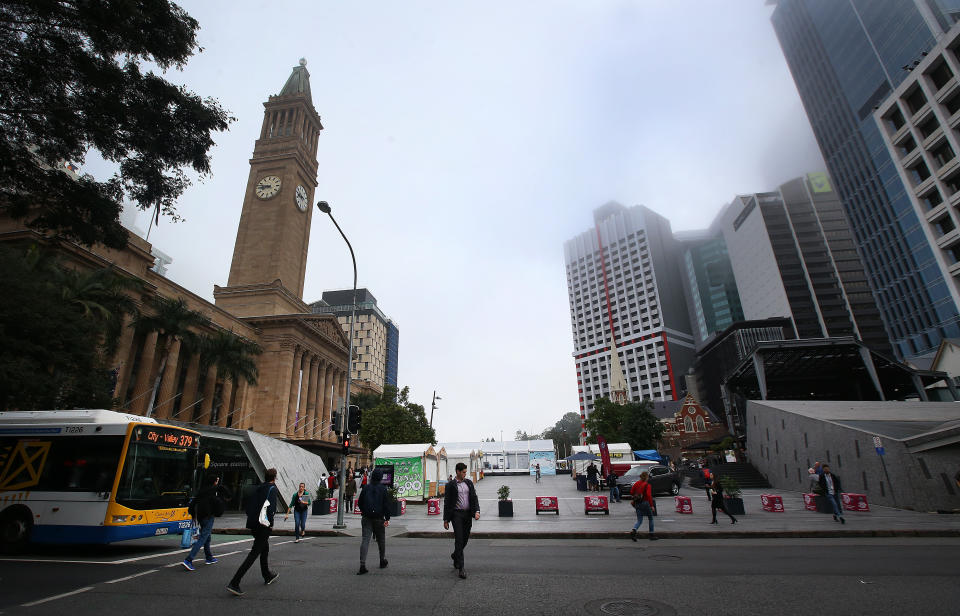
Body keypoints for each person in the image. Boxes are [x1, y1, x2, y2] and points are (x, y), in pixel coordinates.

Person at [227, 468, 279, 596]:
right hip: (263, 525)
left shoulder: (259, 488)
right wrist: (270, 524)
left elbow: (249, 505)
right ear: (274, 477)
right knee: (255, 552)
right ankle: (235, 582)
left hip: (253, 523)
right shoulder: (272, 489)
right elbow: (270, 508)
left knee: (264, 548)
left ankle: (267, 575)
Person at [182, 475, 230, 570]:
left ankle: (209, 557)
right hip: (208, 516)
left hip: (200, 516)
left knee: (207, 537)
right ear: (214, 481)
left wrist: (193, 515)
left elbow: (193, 503)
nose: (217, 482)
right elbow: (226, 493)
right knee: (203, 537)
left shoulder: (202, 490)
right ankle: (189, 559)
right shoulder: (214, 490)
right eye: (216, 480)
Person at [443, 462, 480, 579]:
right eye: (463, 472)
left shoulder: (469, 483)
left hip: (467, 514)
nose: (465, 474)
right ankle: (461, 568)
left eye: (465, 472)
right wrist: (446, 520)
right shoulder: (450, 485)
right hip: (456, 514)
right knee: (459, 539)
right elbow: (447, 502)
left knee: (465, 539)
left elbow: (474, 497)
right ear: (458, 472)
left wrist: (477, 511)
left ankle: (455, 555)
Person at [356, 468, 391, 574]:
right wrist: (387, 518)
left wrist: (363, 511)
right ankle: (382, 560)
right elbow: (386, 505)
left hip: (366, 517)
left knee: (365, 540)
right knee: (381, 540)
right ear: (380, 477)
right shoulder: (383, 489)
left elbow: (360, 502)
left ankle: (362, 564)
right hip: (379, 518)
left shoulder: (366, 487)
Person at [629, 471, 657, 541]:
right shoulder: (647, 485)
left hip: (637, 503)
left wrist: (637, 495)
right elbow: (648, 495)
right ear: (646, 477)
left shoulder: (636, 483)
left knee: (639, 520)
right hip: (645, 503)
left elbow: (631, 492)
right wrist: (652, 505)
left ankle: (634, 530)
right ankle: (651, 534)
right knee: (650, 518)